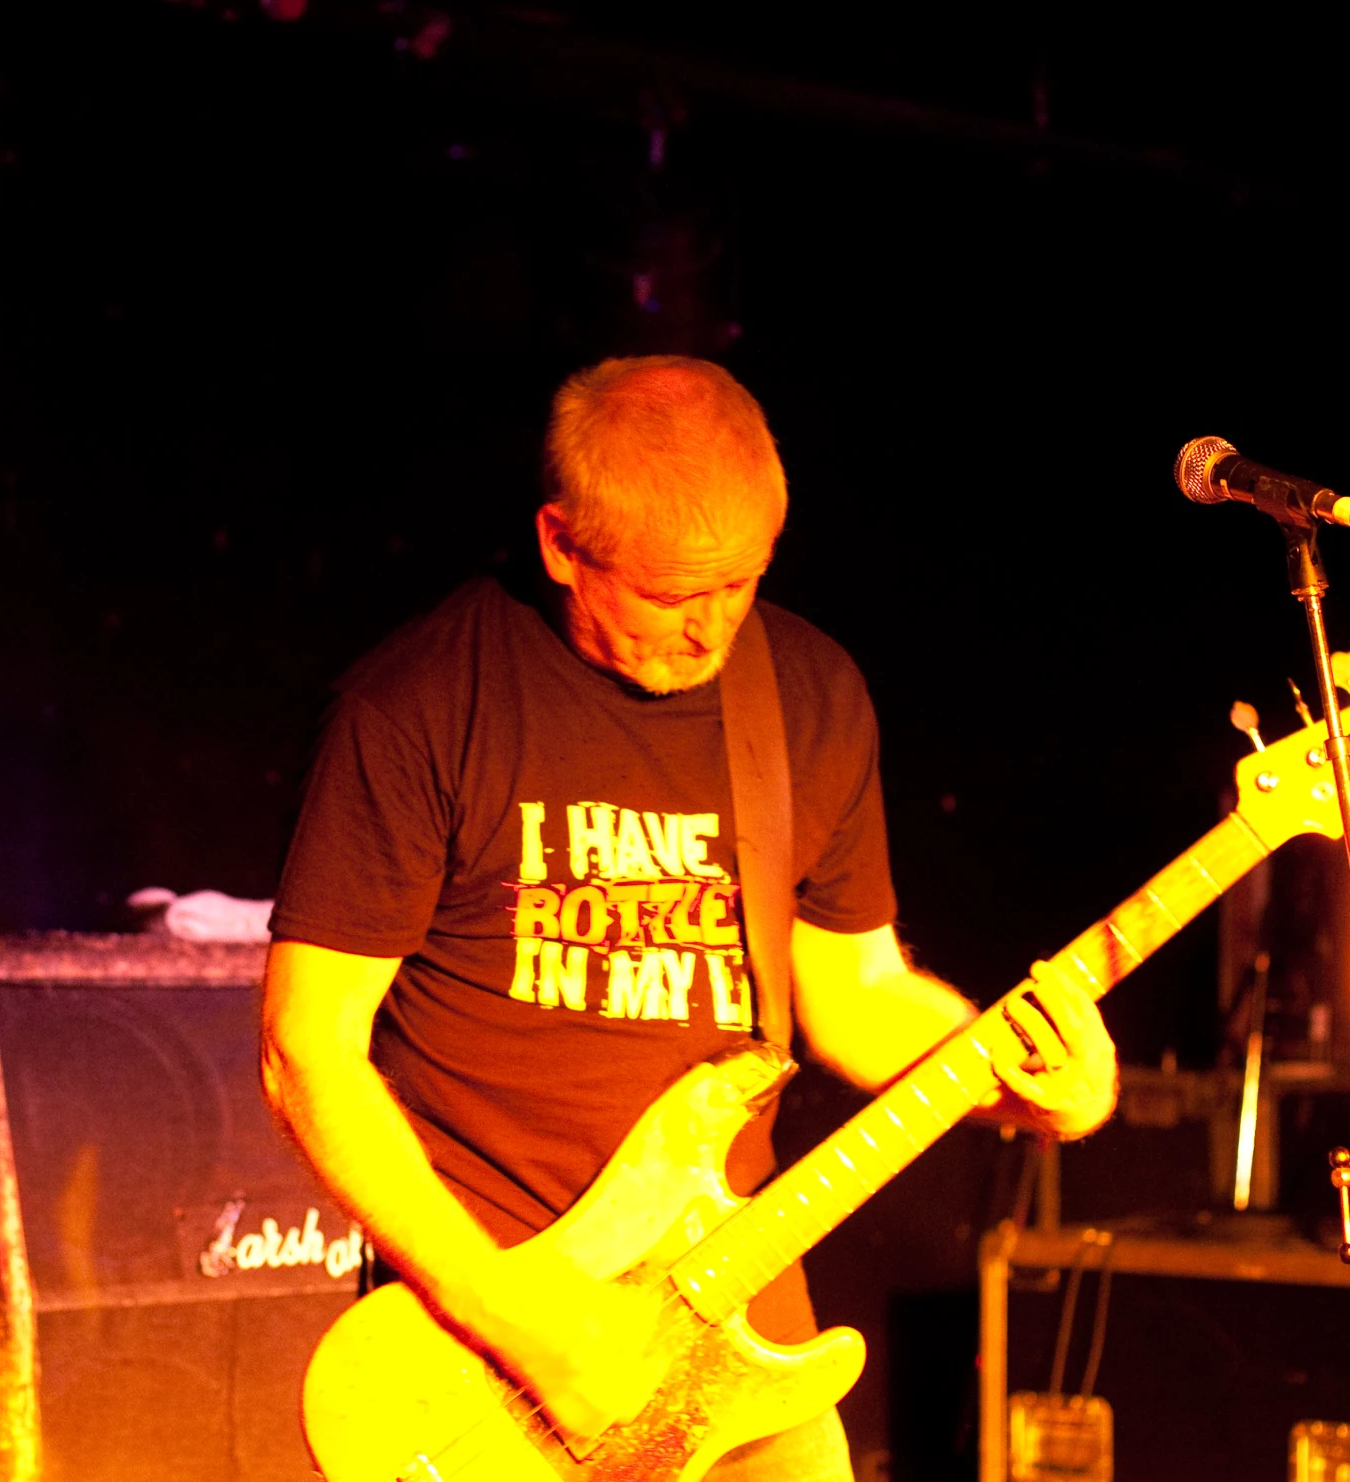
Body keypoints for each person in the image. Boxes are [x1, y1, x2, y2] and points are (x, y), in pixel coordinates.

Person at [260, 356, 1117, 1480]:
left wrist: (1032, 1085)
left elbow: (856, 999)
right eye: (671, 595)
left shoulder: (808, 696)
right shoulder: (421, 705)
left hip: (736, 1326)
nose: (711, 632)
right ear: (562, 544)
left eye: (742, 584)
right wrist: (520, 1318)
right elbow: (303, 1052)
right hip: (487, 1338)